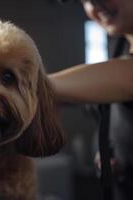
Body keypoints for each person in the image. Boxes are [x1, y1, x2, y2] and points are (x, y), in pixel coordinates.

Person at [49, 0, 133, 199]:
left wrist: (26, 84)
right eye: (85, 1)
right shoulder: (118, 44)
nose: (95, 6)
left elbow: (126, 78)